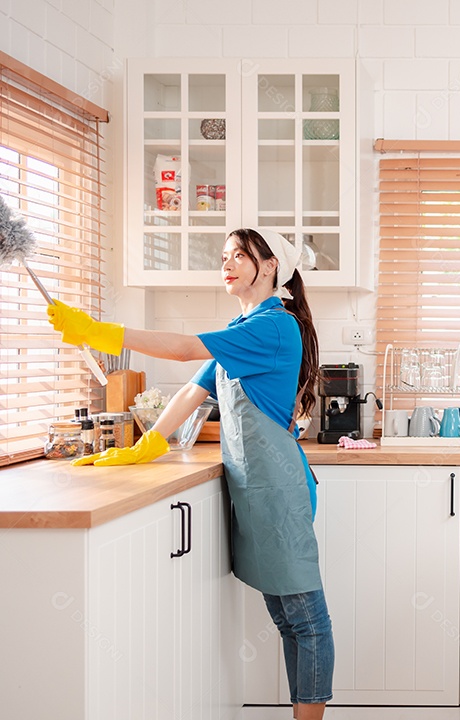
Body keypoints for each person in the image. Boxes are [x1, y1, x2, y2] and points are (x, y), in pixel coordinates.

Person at [47, 228, 333, 719]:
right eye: (223, 256)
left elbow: (182, 349)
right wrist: (147, 445)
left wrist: (99, 331)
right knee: (285, 617)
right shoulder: (242, 324)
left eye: (240, 255)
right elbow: (191, 392)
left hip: (279, 492)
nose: (227, 263)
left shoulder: (275, 325)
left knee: (306, 619)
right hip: (257, 492)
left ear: (269, 267)